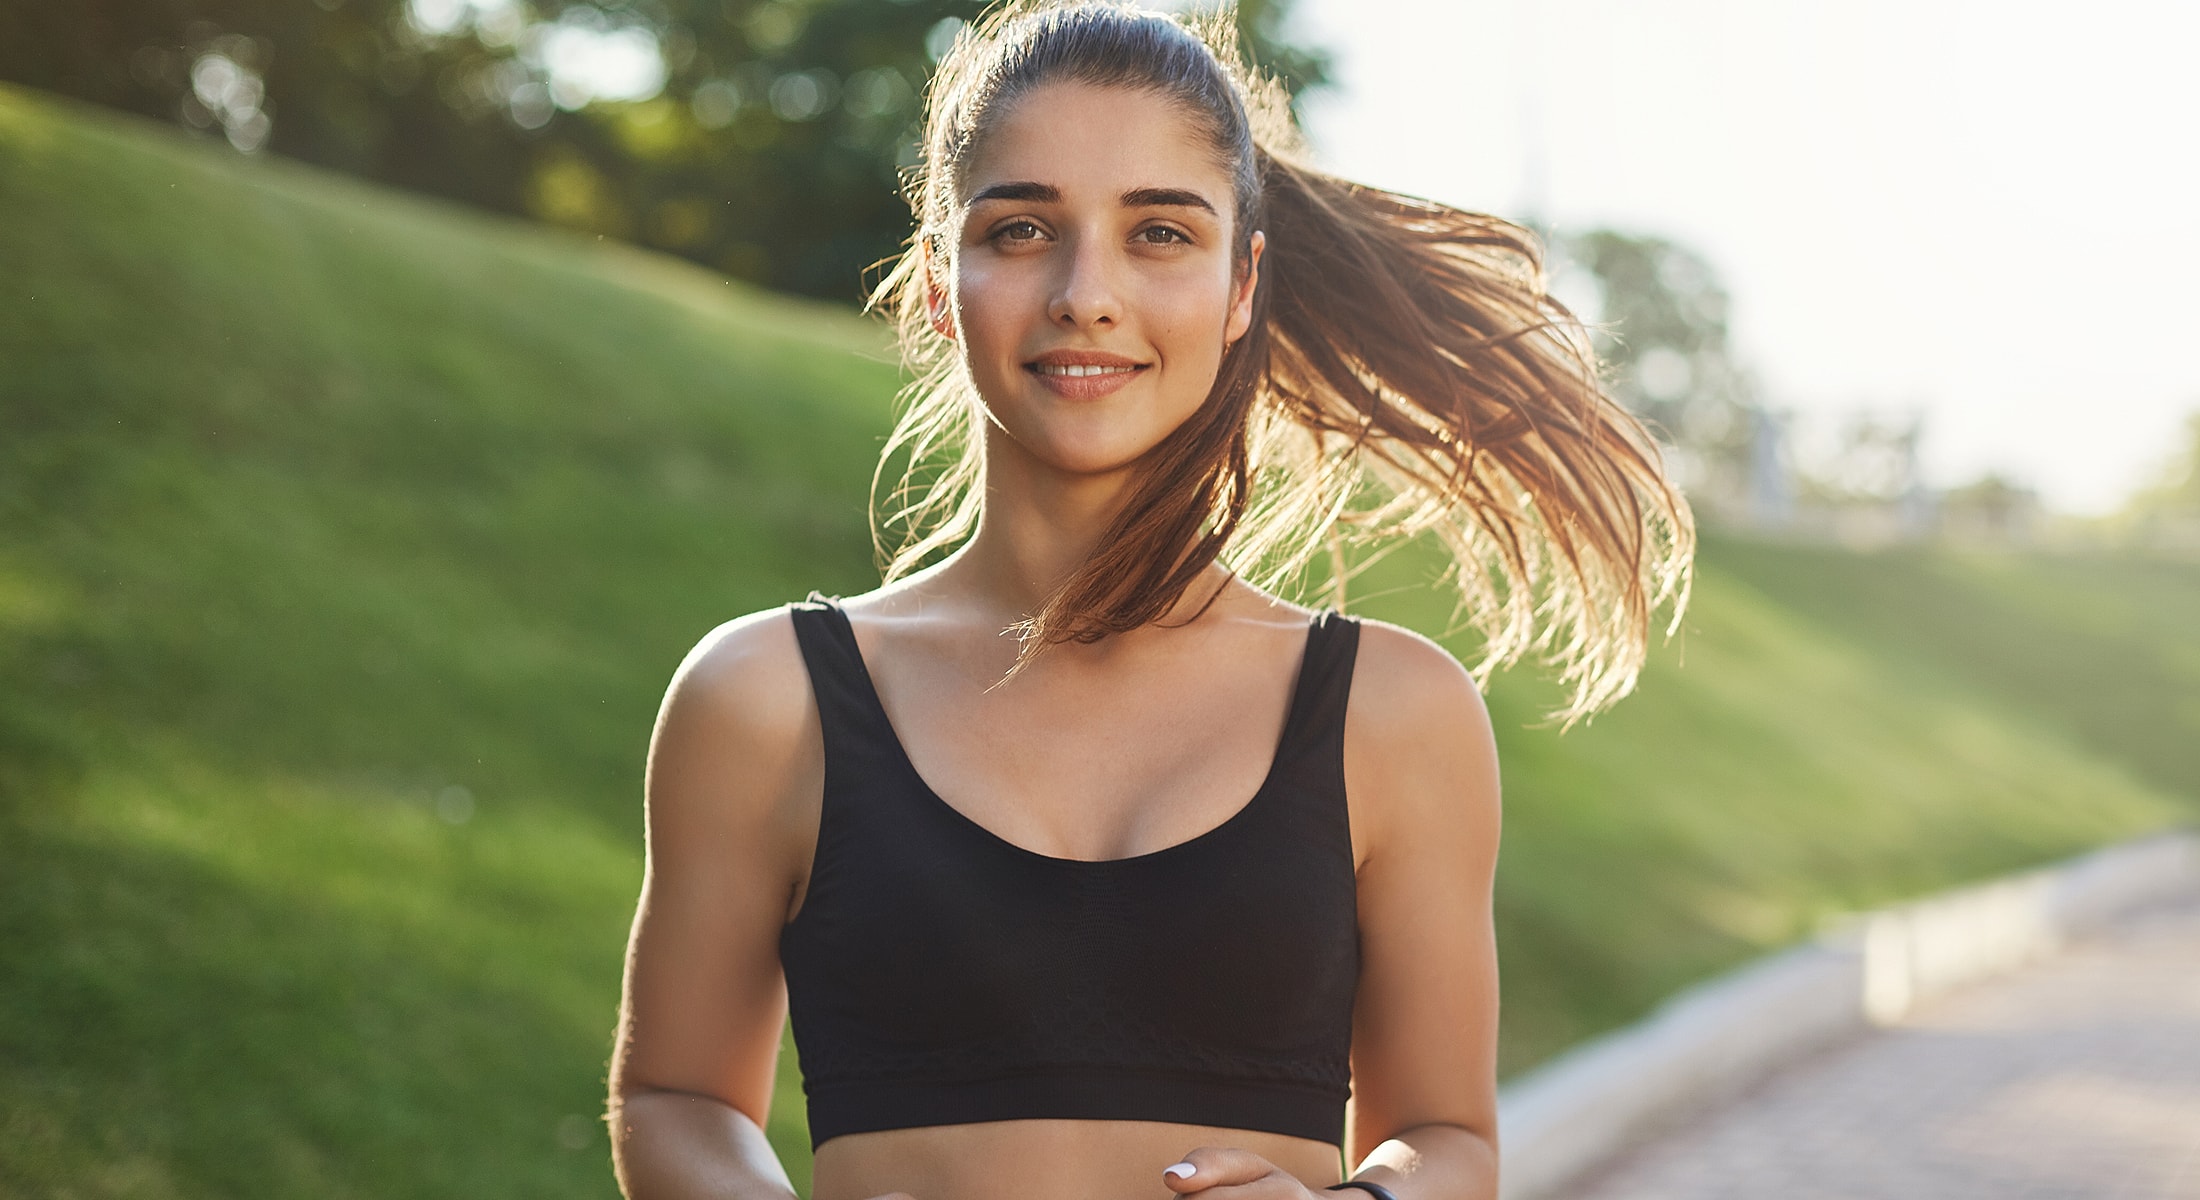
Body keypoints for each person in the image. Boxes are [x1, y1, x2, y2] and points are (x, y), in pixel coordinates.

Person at [605, 3, 1694, 1199]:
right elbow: (674, 1099)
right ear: (936, 280)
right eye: (1022, 229)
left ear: (1241, 286)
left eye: (1160, 234)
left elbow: (1447, 1136)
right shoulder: (765, 700)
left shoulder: (1390, 713)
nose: (1086, 293)